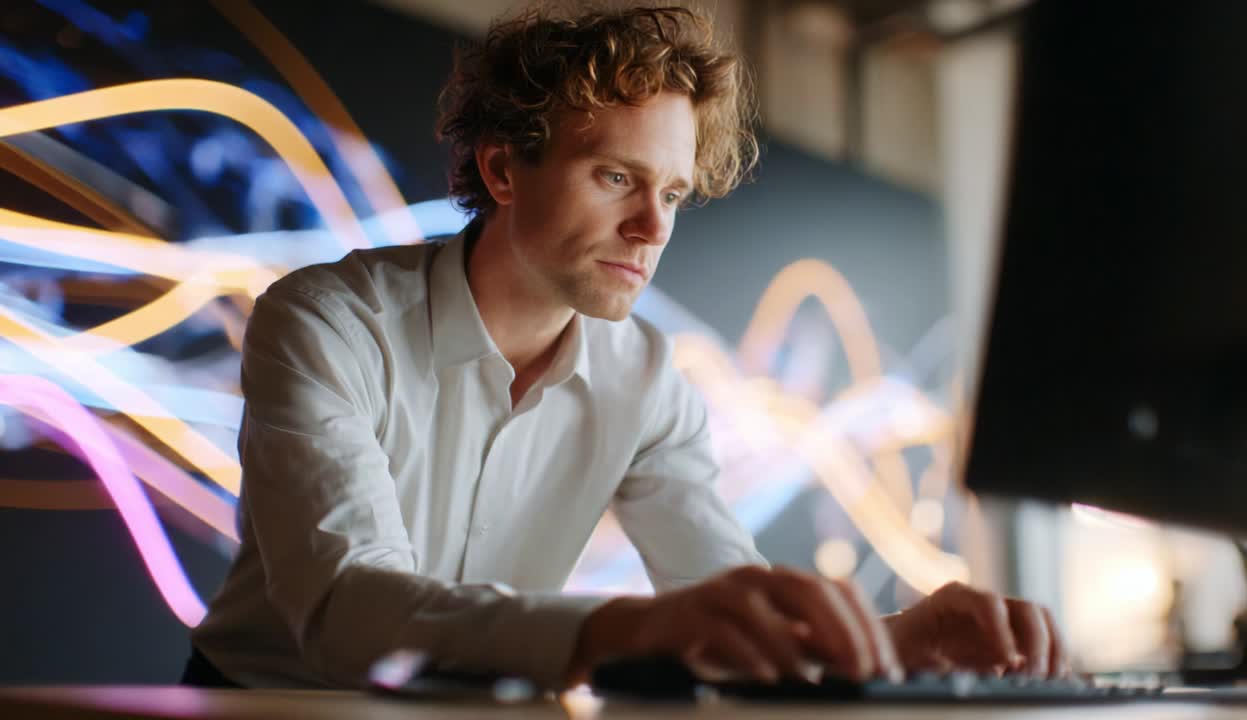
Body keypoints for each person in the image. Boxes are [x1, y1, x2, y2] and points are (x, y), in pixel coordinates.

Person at [186, 4, 1070, 690]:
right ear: (502, 169)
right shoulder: (327, 322)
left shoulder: (651, 382)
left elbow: (725, 594)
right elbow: (347, 611)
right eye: (617, 177)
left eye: (675, 193)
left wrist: (875, 641)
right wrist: (615, 630)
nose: (651, 228)